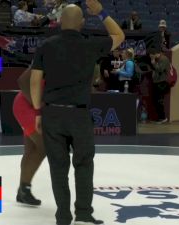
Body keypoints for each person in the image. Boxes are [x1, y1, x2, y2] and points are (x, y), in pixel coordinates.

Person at [30, 0, 124, 224]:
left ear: (60, 21)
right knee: (83, 164)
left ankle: (63, 215)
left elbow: (35, 81)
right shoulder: (90, 45)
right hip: (79, 114)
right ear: (82, 23)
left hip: (52, 113)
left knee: (58, 167)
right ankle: (83, 212)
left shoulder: (46, 45)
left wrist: (37, 112)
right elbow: (119, 35)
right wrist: (101, 13)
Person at [12, 66, 46, 206]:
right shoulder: (49, 54)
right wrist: (37, 105)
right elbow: (22, 80)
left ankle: (23, 191)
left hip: (30, 104)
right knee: (43, 147)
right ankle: (24, 189)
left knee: (31, 149)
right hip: (27, 105)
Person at [149, 47, 170, 124]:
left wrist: (153, 62)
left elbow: (160, 69)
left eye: (151, 55)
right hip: (157, 82)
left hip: (162, 83)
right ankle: (160, 117)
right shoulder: (157, 59)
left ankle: (163, 118)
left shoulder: (164, 59)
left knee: (159, 101)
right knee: (155, 101)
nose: (150, 57)